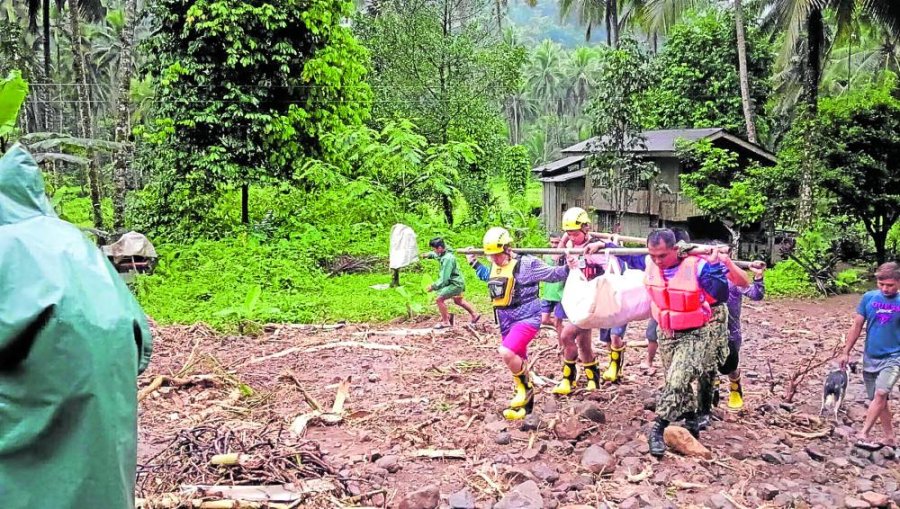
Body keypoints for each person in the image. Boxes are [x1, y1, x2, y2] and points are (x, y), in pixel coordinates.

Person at [0, 144, 153, 509]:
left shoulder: (7, 244)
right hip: (105, 395)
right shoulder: (74, 240)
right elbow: (141, 336)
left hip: (41, 398)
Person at [467, 227, 573, 419]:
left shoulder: (527, 263)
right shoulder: (494, 264)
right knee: (519, 358)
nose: (494, 259)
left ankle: (525, 389)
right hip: (505, 320)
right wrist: (474, 263)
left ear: (507, 248)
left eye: (497, 255)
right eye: (490, 256)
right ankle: (526, 408)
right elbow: (487, 276)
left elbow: (553, 274)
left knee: (506, 352)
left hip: (527, 318)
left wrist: (569, 266)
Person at [643, 228, 729, 457]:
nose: (658, 261)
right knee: (675, 381)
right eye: (653, 256)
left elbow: (721, 294)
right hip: (667, 332)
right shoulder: (649, 263)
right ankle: (691, 423)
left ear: (675, 249)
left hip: (694, 333)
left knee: (677, 379)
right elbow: (613, 254)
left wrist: (714, 267)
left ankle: (658, 428)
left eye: (662, 255)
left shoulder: (697, 265)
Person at [552, 207, 625, 393]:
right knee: (583, 342)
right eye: (568, 233)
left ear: (585, 228)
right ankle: (593, 377)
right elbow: (556, 258)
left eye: (575, 233)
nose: (572, 237)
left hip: (594, 302)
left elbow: (613, 269)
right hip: (577, 299)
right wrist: (565, 242)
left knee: (567, 335)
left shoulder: (597, 247)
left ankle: (568, 378)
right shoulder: (569, 247)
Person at [837, 262, 900, 452]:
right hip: (871, 355)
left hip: (894, 357)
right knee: (878, 399)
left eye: (890, 285)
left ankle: (863, 433)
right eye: (881, 284)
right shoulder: (868, 298)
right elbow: (857, 326)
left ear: (898, 282)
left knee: (881, 393)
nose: (885, 288)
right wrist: (846, 351)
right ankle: (890, 438)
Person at [424, 237, 480, 329]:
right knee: (458, 300)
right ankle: (474, 314)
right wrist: (428, 255)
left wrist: (433, 286)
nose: (433, 251)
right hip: (458, 281)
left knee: (439, 299)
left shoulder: (447, 260)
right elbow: (436, 255)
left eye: (434, 249)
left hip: (455, 284)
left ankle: (446, 322)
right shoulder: (445, 251)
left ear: (440, 248)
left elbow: (444, 279)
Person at [540, 232, 564, 338]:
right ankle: (564, 328)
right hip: (548, 292)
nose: (554, 245)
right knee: (544, 319)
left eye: (557, 242)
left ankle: (562, 345)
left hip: (560, 293)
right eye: (552, 242)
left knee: (558, 321)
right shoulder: (546, 254)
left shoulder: (566, 255)